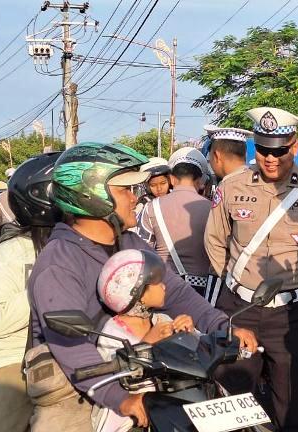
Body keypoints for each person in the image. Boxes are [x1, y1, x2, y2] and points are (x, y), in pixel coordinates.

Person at [27, 142, 257, 430]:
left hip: (142, 372)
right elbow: (70, 346)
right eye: (125, 190)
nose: (135, 198)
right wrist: (120, 398)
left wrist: (222, 326)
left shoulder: (131, 243)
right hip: (79, 387)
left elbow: (176, 291)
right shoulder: (60, 263)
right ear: (90, 195)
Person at [205, 106, 298, 431]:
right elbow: (215, 241)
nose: (270, 158)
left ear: (296, 146)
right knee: (229, 403)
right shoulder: (232, 187)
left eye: (279, 150)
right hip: (240, 308)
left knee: (295, 408)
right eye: (263, 150)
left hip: (293, 316)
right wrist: (234, 284)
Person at [0, 152, 62, 432]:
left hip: (67, 357)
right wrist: (42, 286)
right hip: (12, 362)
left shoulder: (75, 247)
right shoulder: (10, 252)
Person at [94, 248, 196, 432]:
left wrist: (189, 332)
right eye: (157, 283)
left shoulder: (161, 321)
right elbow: (113, 373)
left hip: (171, 407)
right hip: (132, 418)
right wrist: (147, 343)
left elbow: (195, 355)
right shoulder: (112, 332)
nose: (164, 286)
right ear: (137, 293)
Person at [137, 147, 213, 297]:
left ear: (171, 179)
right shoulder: (212, 209)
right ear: (199, 181)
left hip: (165, 286)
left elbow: (142, 250)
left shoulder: (151, 208)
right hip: (203, 290)